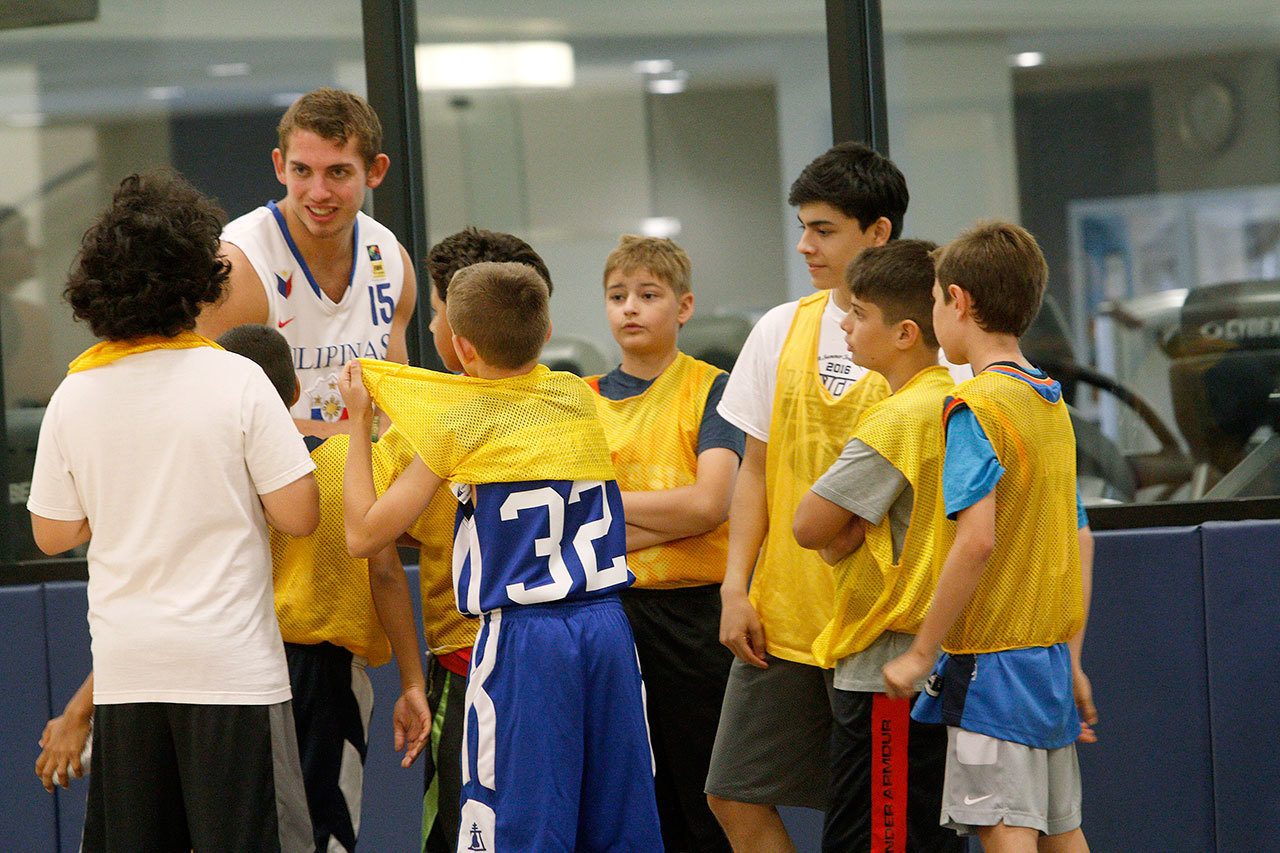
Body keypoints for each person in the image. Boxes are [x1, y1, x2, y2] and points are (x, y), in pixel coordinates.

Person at [36, 321, 428, 852]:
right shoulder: (340, 465)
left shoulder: (202, 466)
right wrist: (412, 680)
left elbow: (163, 594)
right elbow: (383, 570)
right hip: (308, 674)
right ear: (292, 393)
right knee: (313, 836)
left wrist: (80, 709)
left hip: (219, 666)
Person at [27, 170, 318, 851]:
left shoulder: (75, 393)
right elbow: (299, 513)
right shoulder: (238, 379)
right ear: (200, 278)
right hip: (233, 673)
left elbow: (53, 532)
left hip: (129, 676)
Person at [338, 261, 661, 851]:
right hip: (609, 630)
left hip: (525, 639)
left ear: (461, 346)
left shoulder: (460, 420)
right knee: (619, 823)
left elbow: (363, 534)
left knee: (517, 823)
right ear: (546, 331)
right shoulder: (576, 398)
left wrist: (360, 421)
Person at [705, 141, 904, 851]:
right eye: (802, 225)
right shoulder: (777, 328)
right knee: (731, 791)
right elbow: (754, 468)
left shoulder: (929, 345)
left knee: (879, 826)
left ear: (877, 232)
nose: (804, 244)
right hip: (782, 619)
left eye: (823, 229)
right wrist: (736, 585)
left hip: (881, 624)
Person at [882, 221, 1097, 853]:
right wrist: (1075, 658)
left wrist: (922, 653)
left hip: (991, 672)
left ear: (959, 302)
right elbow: (1081, 537)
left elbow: (975, 542)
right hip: (1050, 665)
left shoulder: (973, 407)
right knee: (1063, 836)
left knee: (1005, 834)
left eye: (933, 304)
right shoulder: (1050, 401)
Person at [366, 226, 555, 853]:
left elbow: (371, 539)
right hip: (569, 658)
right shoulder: (576, 404)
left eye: (439, 313)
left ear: (460, 333)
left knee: (465, 834)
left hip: (471, 666)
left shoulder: (431, 428)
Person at [791, 239, 962, 852]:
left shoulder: (897, 419)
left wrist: (845, 531)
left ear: (905, 333)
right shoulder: (951, 401)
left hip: (886, 672)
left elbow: (809, 527)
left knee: (881, 840)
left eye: (859, 313)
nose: (844, 322)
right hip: (932, 663)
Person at [587, 235, 743, 852]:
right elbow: (575, 526)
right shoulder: (583, 398)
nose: (630, 307)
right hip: (612, 615)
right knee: (636, 799)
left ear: (683, 307)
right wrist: (668, 519)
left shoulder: (713, 389)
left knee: (709, 796)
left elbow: (708, 505)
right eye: (617, 295)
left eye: (648, 295)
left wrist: (605, 513)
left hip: (697, 621)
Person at [198, 86, 418, 438]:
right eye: (302, 170)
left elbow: (398, 410)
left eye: (337, 173)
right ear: (279, 166)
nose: (318, 192)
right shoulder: (237, 267)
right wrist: (357, 433)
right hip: (269, 488)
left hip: (369, 487)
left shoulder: (390, 257)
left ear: (375, 171)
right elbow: (216, 418)